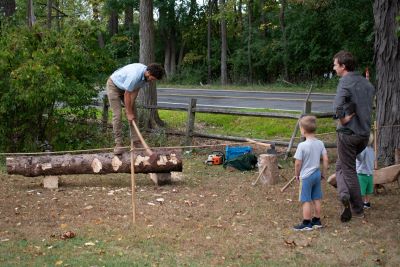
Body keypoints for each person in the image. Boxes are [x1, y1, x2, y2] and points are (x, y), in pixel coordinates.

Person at [332, 50, 375, 222]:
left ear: (343, 66)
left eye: (335, 65)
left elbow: (337, 106)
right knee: (340, 166)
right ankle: (343, 194)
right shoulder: (366, 83)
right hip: (364, 135)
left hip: (348, 134)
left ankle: (357, 208)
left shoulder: (345, 82)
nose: (334, 68)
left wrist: (342, 119)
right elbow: (369, 94)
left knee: (348, 170)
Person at [106, 63, 164, 155]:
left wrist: (129, 109)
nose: (152, 81)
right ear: (148, 72)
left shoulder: (146, 79)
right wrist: (128, 112)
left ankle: (136, 142)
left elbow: (135, 91)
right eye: (153, 78)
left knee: (134, 114)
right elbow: (127, 94)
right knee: (117, 115)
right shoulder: (135, 75)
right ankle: (118, 144)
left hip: (127, 90)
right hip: (114, 86)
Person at [293, 115, 329, 231]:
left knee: (306, 199)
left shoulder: (302, 145)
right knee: (317, 197)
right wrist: (324, 173)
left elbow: (298, 163)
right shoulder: (320, 143)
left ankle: (307, 223)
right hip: (317, 174)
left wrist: (297, 174)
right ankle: (317, 220)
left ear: (303, 130)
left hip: (306, 176)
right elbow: (326, 159)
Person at [356, 134, 374, 209]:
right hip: (370, 173)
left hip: (362, 173)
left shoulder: (364, 149)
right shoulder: (371, 149)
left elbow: (360, 158)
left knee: (361, 191)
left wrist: (356, 153)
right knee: (368, 190)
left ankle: (361, 204)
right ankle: (367, 203)